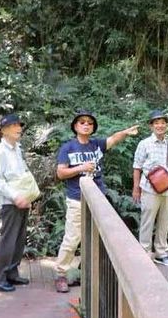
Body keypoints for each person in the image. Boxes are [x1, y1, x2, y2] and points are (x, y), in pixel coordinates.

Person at [54, 109, 139, 293]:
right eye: (82, 122)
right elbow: (61, 173)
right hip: (77, 199)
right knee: (72, 238)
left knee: (95, 239)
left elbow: (113, 139)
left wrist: (125, 133)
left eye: (90, 123)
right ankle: (61, 274)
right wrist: (81, 167)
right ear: (75, 126)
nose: (86, 125)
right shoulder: (68, 147)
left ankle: (84, 272)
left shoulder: (97, 145)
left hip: (98, 200)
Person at [0, 114, 32, 292]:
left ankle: (12, 274)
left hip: (23, 199)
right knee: (8, 240)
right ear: (3, 130)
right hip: (10, 202)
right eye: (14, 125)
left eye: (19, 125)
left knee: (19, 239)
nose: (18, 128)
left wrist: (28, 195)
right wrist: (16, 197)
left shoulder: (17, 149)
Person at [132, 110, 168, 267]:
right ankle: (144, 252)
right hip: (149, 188)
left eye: (163, 123)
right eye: (156, 123)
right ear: (151, 126)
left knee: (164, 222)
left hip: (167, 188)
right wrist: (136, 188)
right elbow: (137, 167)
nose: (160, 125)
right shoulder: (144, 144)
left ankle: (161, 253)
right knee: (147, 221)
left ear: (166, 125)